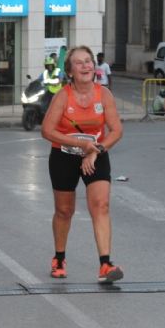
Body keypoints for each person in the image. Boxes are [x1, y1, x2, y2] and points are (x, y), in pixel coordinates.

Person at [41, 46, 124, 283]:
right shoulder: (63, 96)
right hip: (64, 155)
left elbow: (116, 130)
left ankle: (105, 265)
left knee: (101, 205)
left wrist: (94, 151)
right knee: (65, 210)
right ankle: (59, 258)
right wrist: (80, 144)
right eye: (79, 63)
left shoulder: (104, 95)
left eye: (88, 61)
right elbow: (47, 131)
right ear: (70, 71)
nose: (86, 66)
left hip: (96, 154)